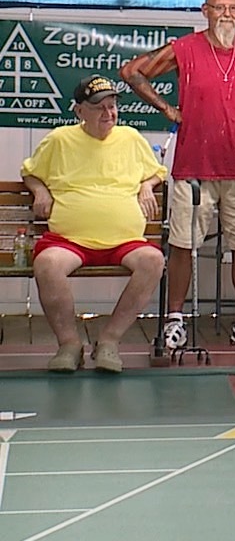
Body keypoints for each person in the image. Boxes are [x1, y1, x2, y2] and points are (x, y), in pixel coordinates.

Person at [121, 0, 235, 348]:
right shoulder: (185, 48)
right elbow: (132, 72)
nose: (227, 15)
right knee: (183, 246)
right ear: (205, 11)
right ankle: (174, 320)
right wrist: (168, 109)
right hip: (194, 170)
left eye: (233, 8)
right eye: (219, 8)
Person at [21, 75, 167, 373]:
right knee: (47, 264)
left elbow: (157, 171)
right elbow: (30, 172)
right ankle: (69, 345)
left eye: (112, 106)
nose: (108, 113)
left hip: (124, 240)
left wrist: (147, 186)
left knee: (153, 260)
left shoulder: (130, 138)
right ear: (79, 111)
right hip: (70, 240)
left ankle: (109, 341)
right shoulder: (59, 139)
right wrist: (40, 190)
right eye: (99, 107)